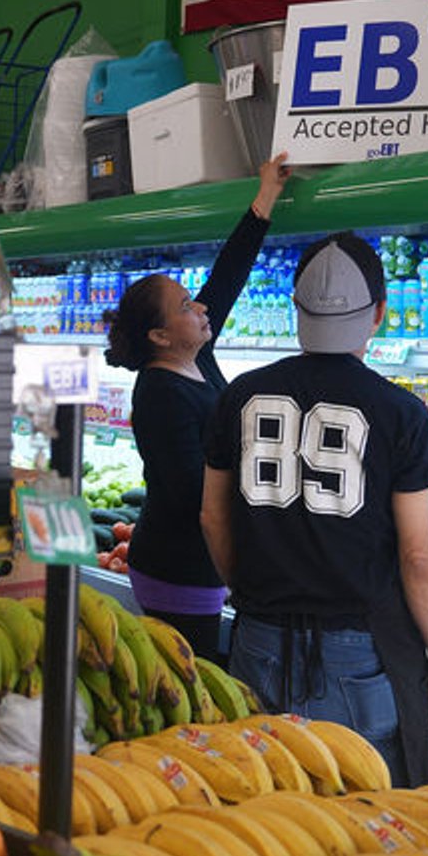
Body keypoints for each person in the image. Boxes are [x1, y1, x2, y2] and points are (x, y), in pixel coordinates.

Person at [198, 232, 428, 786]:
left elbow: (212, 517)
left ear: (296, 310)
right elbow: (419, 555)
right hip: (357, 655)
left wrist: (248, 593)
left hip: (257, 638)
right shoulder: (402, 412)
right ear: (380, 313)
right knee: (360, 813)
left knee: (264, 807)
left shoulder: (240, 396)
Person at [102, 152, 290, 664]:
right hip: (177, 567)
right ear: (160, 335)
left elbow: (226, 280)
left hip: (195, 560)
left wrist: (265, 196)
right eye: (186, 306)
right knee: (191, 684)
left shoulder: (194, 356)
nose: (201, 308)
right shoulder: (159, 395)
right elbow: (195, 497)